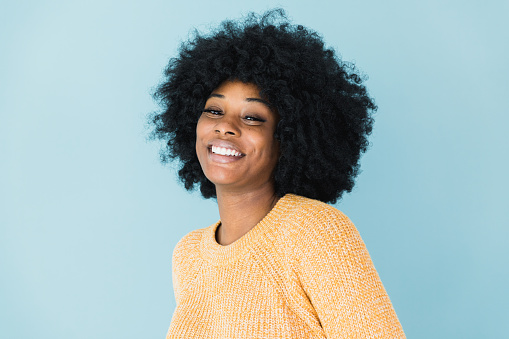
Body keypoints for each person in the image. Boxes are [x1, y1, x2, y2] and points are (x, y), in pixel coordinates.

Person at [151, 9, 405, 338]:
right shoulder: (189, 255)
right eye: (214, 110)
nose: (225, 127)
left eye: (253, 117)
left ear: (288, 138)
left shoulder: (316, 231)